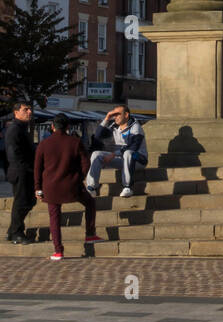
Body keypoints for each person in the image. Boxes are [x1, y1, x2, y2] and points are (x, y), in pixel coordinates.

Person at [34, 113, 100, 260]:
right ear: (68, 127)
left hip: (50, 186)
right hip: (72, 185)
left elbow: (37, 168)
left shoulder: (43, 144)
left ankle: (58, 250)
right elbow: (86, 163)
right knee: (90, 202)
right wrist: (79, 177)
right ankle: (90, 233)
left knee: (54, 217)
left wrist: (38, 188)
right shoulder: (75, 142)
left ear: (52, 127)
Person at [85, 104, 148, 198]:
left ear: (126, 115)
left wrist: (114, 154)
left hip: (138, 159)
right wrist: (107, 118)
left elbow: (133, 147)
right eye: (114, 115)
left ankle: (127, 187)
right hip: (121, 159)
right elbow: (98, 135)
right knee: (96, 154)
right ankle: (91, 188)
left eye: (117, 114)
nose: (115, 117)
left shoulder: (136, 127)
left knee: (128, 153)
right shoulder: (114, 126)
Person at [4, 101, 36, 244]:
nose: (29, 112)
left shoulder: (22, 128)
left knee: (28, 201)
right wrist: (25, 169)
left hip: (24, 171)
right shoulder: (14, 129)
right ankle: (16, 233)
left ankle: (13, 230)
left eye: (30, 109)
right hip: (20, 171)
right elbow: (13, 154)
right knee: (22, 202)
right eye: (25, 109)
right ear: (16, 112)